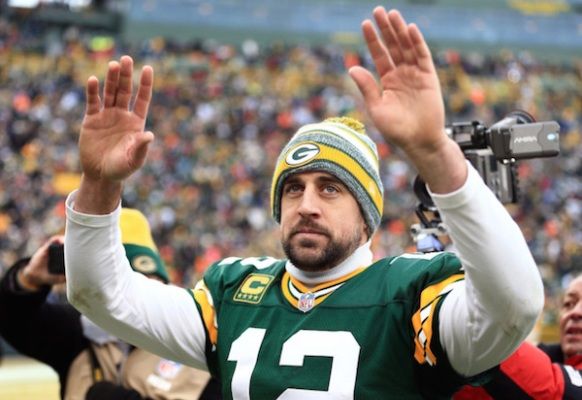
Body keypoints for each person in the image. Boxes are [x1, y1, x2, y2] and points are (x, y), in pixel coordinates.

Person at [64, 7, 544, 398]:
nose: (307, 204)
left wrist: (435, 153)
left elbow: (513, 306)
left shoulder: (411, 293)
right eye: (293, 188)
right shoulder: (235, 293)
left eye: (330, 188)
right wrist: (98, 182)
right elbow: (101, 294)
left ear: (367, 215)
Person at [0, 208, 219, 400]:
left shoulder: (201, 341)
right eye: (127, 287)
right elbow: (12, 320)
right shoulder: (80, 333)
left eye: (150, 284)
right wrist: (28, 279)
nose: (140, 299)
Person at [454, 274, 582, 399]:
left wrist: (463, 322)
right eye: (569, 304)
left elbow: (552, 391)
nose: (575, 312)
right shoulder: (545, 354)